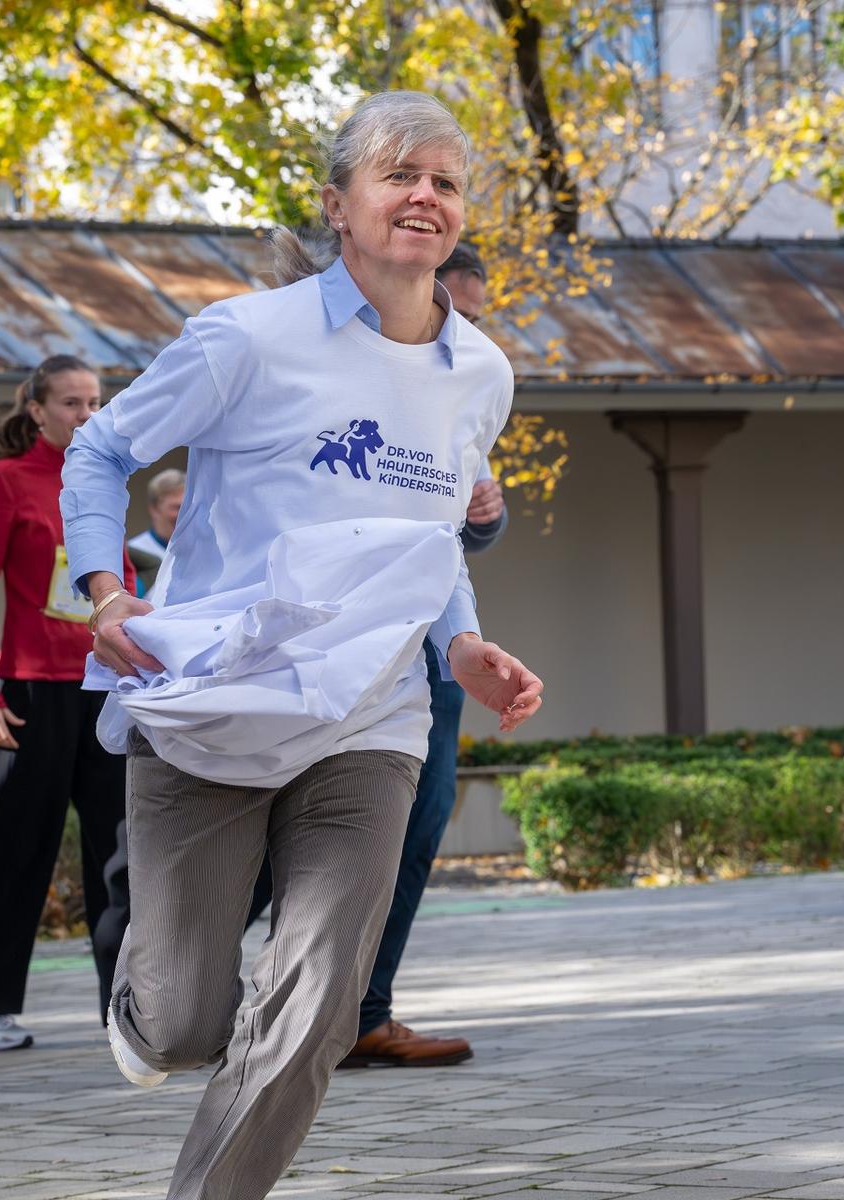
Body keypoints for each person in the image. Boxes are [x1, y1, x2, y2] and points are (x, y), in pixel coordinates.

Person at [63, 90, 544, 1200]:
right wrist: (106, 592)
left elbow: (429, 542)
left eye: (446, 180)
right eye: (397, 174)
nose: (425, 195)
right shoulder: (246, 338)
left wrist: (463, 643)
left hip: (372, 716)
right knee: (186, 1025)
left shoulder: (482, 375)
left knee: (323, 993)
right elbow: (97, 453)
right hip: (216, 704)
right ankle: (144, 999)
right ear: (339, 204)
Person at [342, 236, 508, 1069]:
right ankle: (221, 996)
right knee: (289, 833)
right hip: (335, 644)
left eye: (474, 318)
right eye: (455, 314)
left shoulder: (469, 383)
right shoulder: (342, 375)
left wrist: (483, 512)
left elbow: (463, 535)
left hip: (433, 649)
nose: (464, 336)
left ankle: (364, 1012)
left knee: (419, 823)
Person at [0, 356, 134, 1050]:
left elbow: (124, 585)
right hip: (27, 695)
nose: (86, 415)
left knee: (125, 855)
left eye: (95, 402)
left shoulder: (105, 478)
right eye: (71, 403)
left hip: (102, 687)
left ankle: (130, 1010)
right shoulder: (7, 482)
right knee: (7, 853)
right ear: (37, 410)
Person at [125, 468, 184, 596]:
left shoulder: (205, 552)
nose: (184, 515)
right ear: (154, 509)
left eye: (189, 507)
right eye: (177, 507)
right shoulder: (132, 555)